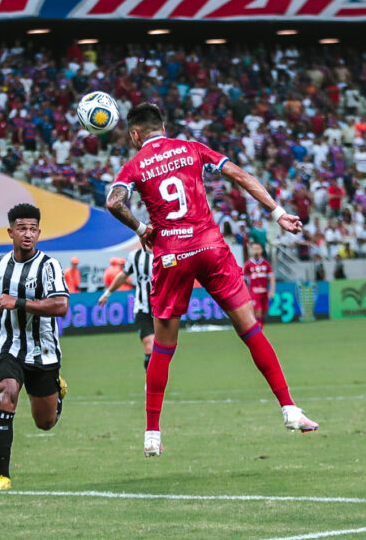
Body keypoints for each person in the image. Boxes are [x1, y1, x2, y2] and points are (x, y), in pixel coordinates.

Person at [106, 103, 318, 458]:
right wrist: (278, 214)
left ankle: (152, 434)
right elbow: (239, 174)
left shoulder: (134, 165)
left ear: (134, 135)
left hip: (172, 254)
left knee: (163, 347)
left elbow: (114, 202)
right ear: (164, 125)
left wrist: (143, 229)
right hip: (210, 246)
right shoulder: (191, 148)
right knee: (250, 329)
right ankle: (290, 409)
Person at [0, 203, 70, 491]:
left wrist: (19, 302)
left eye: (33, 229)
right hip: (8, 346)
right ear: (10, 231)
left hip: (43, 351)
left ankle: (57, 390)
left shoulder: (49, 266)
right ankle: (2, 476)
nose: (28, 234)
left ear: (39, 233)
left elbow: (61, 306)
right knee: (6, 394)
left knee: (45, 423)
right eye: (22, 228)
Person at [98, 244, 154, 370]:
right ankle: (151, 387)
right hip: (143, 308)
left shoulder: (167, 253)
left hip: (163, 310)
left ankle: (158, 383)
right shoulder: (135, 256)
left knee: (162, 351)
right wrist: (107, 294)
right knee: (150, 347)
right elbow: (123, 276)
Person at [242, 241, 275, 322]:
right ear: (251, 251)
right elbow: (243, 280)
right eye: (254, 249)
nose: (256, 251)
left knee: (263, 313)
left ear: (261, 250)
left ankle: (259, 331)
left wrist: (272, 290)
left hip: (264, 292)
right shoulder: (248, 264)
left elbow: (271, 278)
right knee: (258, 312)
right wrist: (244, 293)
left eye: (258, 249)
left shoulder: (266, 264)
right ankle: (257, 333)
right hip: (253, 293)